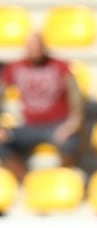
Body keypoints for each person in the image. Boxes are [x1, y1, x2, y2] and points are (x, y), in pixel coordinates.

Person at [0, 31, 84, 182]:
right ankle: (27, 182)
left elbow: (76, 97)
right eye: (31, 47)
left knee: (71, 143)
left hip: (56, 125)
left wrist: (72, 124)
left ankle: (59, 179)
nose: (35, 51)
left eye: (37, 47)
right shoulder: (15, 67)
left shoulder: (60, 66)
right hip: (28, 126)